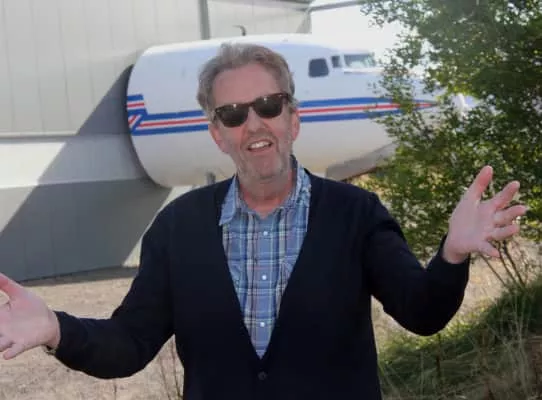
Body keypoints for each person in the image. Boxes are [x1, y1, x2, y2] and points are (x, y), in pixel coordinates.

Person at [0, 43, 527, 400]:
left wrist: (451, 255)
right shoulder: (178, 229)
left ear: (293, 118)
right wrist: (57, 329)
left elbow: (422, 312)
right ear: (218, 134)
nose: (253, 123)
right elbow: (128, 344)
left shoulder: (356, 214)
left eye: (269, 106)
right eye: (233, 114)